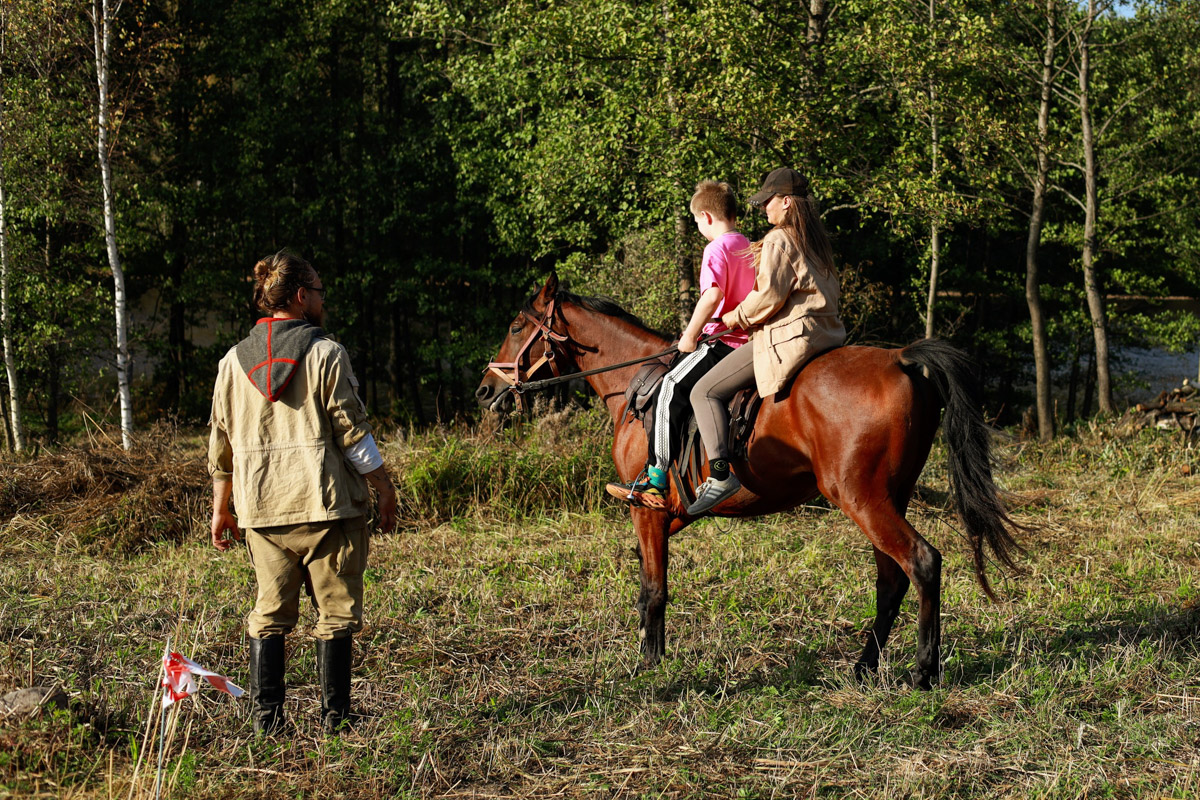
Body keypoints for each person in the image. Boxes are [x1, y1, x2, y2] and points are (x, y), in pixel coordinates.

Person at [208, 250, 398, 735]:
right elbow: (352, 432)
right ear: (299, 296)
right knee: (335, 615)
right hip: (327, 508)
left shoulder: (231, 363)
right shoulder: (326, 353)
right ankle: (336, 723)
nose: (321, 300)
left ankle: (266, 725)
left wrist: (221, 509)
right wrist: (384, 487)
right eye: (318, 292)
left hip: (262, 511)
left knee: (269, 615)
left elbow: (221, 444)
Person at [686, 167, 846, 516]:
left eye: (768, 202)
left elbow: (768, 298)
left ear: (786, 202)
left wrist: (728, 319)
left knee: (704, 391)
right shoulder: (815, 240)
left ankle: (719, 475)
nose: (763, 209)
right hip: (827, 337)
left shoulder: (778, 239)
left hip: (791, 341)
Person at [605, 180, 755, 509]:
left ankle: (655, 478)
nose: (699, 227)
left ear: (706, 216)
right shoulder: (748, 245)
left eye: (697, 222)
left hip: (723, 341)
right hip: (751, 341)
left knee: (670, 384)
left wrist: (689, 335)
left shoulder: (716, 249)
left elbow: (712, 295)